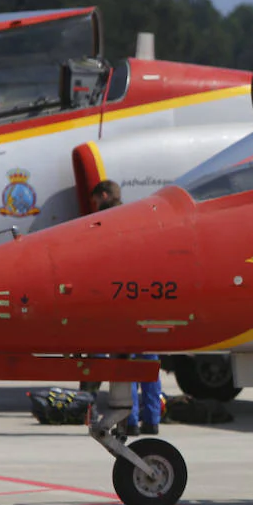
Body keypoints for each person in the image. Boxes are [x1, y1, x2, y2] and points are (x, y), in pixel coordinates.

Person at [85, 179, 162, 436]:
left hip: (123, 305)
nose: (95, 207)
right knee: (148, 365)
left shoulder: (106, 223)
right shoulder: (139, 220)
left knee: (124, 364)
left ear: (104, 196)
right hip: (147, 302)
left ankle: (130, 420)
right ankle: (152, 421)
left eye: (96, 201)